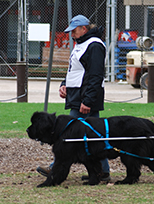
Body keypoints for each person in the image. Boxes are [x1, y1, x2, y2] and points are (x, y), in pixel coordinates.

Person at [37, 14, 110, 181]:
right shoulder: (82, 44)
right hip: (78, 97)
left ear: (84, 29)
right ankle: (102, 171)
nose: (71, 35)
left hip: (85, 99)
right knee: (95, 135)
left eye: (74, 31)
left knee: (67, 134)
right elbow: (75, 70)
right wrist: (65, 85)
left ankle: (55, 169)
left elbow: (95, 75)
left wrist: (88, 100)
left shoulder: (94, 46)